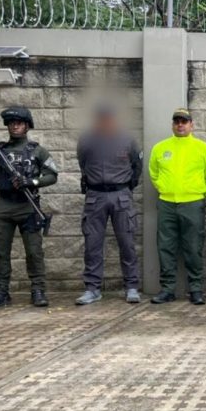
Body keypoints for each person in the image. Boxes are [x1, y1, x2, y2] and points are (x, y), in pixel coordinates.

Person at [0, 107, 58, 309]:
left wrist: (30, 181)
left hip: (27, 204)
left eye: (19, 123)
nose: (15, 126)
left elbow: (52, 175)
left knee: (34, 251)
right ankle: (1, 292)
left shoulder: (37, 150)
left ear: (27, 126)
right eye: (11, 123)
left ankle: (38, 290)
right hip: (2, 205)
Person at [148, 108, 206, 305]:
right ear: (172, 124)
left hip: (193, 203)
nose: (180, 124)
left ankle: (195, 289)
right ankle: (167, 289)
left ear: (191, 125)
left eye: (184, 121)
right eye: (177, 121)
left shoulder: (202, 148)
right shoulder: (160, 148)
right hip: (167, 203)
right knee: (165, 246)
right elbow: (153, 173)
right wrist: (163, 187)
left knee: (193, 247)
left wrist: (202, 192)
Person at [76, 105, 143, 305]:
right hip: (95, 195)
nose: (105, 121)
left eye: (109, 117)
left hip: (121, 195)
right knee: (92, 245)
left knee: (127, 243)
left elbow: (136, 166)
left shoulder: (127, 139)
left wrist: (125, 187)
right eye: (101, 118)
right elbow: (83, 163)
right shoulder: (87, 139)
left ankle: (131, 287)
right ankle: (92, 288)